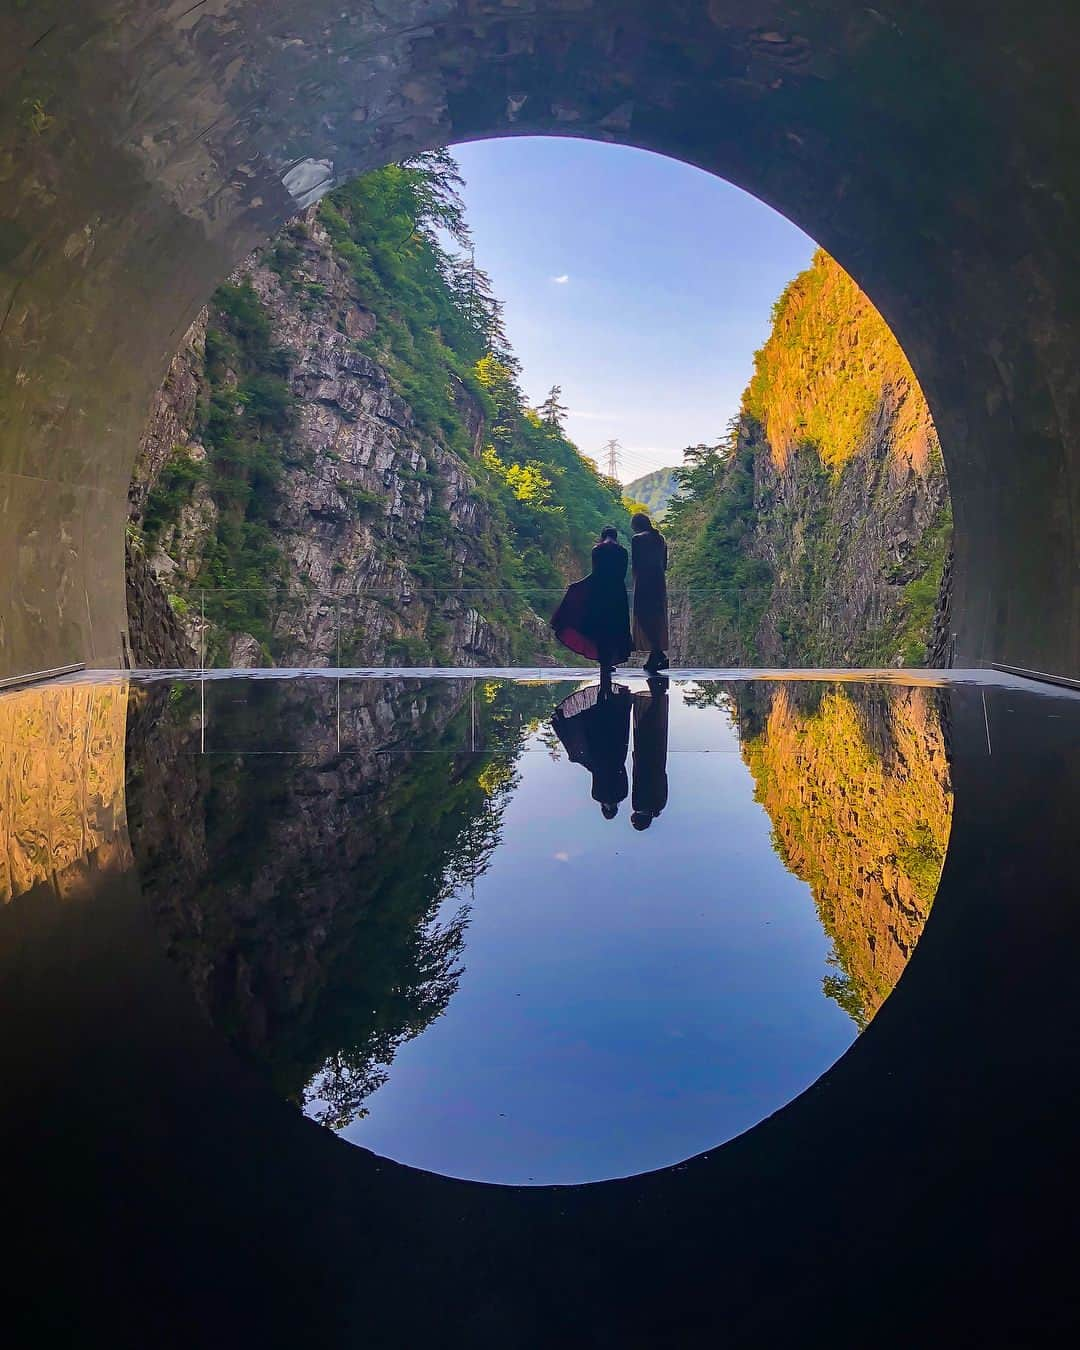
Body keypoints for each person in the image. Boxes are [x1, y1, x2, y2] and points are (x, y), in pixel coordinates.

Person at [551, 526, 633, 684]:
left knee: (600, 628)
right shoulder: (623, 552)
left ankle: (604, 663)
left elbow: (596, 574)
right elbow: (621, 575)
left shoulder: (597, 550)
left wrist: (578, 585)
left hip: (599, 594)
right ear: (616, 537)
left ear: (602, 537)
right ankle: (608, 663)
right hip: (617, 595)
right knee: (613, 628)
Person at [551, 682, 632, 819]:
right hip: (601, 758)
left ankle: (607, 698)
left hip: (615, 756)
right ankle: (604, 697)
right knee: (598, 728)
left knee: (611, 725)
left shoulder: (621, 794)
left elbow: (621, 774)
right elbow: (598, 775)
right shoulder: (598, 795)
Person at [630, 512, 669, 673]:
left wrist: (636, 581)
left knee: (642, 616)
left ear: (637, 525)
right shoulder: (660, 539)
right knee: (656, 617)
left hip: (644, 582)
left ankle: (658, 652)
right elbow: (664, 564)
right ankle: (655, 656)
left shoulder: (637, 539)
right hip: (659, 582)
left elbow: (636, 564)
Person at [630, 675, 669, 831]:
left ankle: (658, 695)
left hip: (658, 763)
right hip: (644, 763)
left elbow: (664, 780)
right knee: (644, 728)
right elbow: (636, 779)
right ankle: (656, 693)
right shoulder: (638, 804)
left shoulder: (660, 805)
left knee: (656, 729)